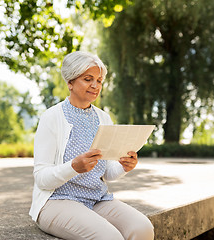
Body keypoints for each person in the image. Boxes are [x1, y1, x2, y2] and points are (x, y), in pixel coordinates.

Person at [29, 51, 154, 240]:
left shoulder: (103, 118)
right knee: (110, 238)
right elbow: (41, 178)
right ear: (70, 82)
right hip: (56, 200)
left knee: (142, 228)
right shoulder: (52, 117)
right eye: (88, 79)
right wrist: (73, 167)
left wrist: (124, 166)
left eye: (99, 80)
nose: (95, 86)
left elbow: (107, 172)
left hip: (97, 199)